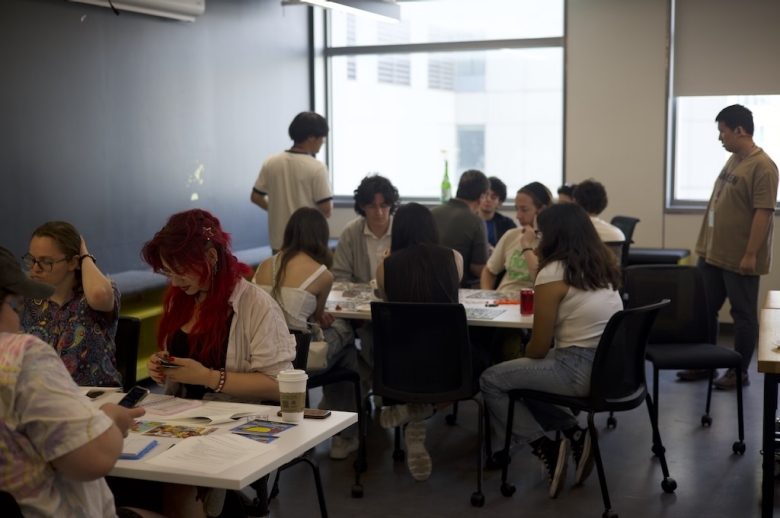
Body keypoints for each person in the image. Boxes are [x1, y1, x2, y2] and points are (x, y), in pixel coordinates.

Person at [143, 209, 296, 518]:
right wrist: (160, 365)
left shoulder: (255, 305)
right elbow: (177, 362)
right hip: (183, 415)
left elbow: (281, 386)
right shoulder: (181, 298)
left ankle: (218, 498)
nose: (174, 280)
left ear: (211, 256)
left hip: (234, 419)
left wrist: (210, 377)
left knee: (177, 481)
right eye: (169, 272)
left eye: (181, 271)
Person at [0, 247, 162, 518]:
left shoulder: (92, 301)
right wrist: (111, 419)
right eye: (15, 306)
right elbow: (92, 460)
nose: (18, 320)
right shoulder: (21, 356)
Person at [480, 202, 623, 498]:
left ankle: (545, 446)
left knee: (493, 380)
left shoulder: (554, 271)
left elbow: (539, 346)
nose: (539, 238)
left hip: (576, 369)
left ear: (554, 235)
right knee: (520, 382)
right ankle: (575, 434)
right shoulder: (603, 264)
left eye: (542, 232)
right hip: (611, 369)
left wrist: (519, 362)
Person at [679, 104, 778, 390]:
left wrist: (750, 254)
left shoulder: (764, 166)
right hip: (713, 254)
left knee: (743, 315)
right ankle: (706, 363)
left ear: (739, 130)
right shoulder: (734, 159)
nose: (720, 137)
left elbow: (764, 212)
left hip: (739, 258)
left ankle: (739, 372)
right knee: (704, 308)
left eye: (723, 131)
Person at [253, 208, 359, 460]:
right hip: (295, 362)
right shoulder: (323, 275)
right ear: (321, 236)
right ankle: (344, 436)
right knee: (346, 339)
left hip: (257, 357)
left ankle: (328, 421)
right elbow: (318, 318)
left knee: (346, 354)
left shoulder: (264, 265)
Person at [374, 202, 465, 482]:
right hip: (446, 366)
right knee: (484, 361)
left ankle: (411, 410)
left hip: (401, 366)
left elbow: (393, 306)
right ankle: (425, 409)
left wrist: (388, 261)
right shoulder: (454, 258)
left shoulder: (385, 267)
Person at [20, 221, 122, 387]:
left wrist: (84, 255)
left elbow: (98, 294)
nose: (35, 269)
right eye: (32, 260)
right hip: (41, 398)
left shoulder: (91, 295)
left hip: (94, 398)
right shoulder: (27, 297)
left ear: (73, 262)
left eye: (46, 262)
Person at [251, 111, 333, 252]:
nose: (323, 141)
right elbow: (326, 209)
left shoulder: (271, 162)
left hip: (278, 244)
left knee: (280, 274)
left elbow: (256, 197)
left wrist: (276, 209)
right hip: (308, 244)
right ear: (311, 137)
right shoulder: (317, 167)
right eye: (322, 137)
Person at [481, 182, 552, 294]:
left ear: (542, 210)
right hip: (503, 299)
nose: (518, 216)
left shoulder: (553, 241)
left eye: (524, 210)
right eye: (516, 209)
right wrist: (485, 295)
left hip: (529, 301)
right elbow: (489, 270)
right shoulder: (511, 235)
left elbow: (541, 282)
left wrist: (526, 243)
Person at [332, 174, 400, 284]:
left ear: (391, 205)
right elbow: (340, 275)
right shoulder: (351, 232)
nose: (379, 213)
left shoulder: (402, 229)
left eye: (383, 206)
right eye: (372, 206)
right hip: (359, 297)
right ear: (362, 206)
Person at [431, 169, 490, 288]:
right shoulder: (476, 221)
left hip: (422, 286)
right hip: (456, 290)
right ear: (481, 198)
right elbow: (477, 269)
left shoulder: (430, 213)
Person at [479, 176, 517, 249]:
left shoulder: (507, 224)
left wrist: (495, 253)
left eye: (493, 197)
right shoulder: (468, 221)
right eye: (485, 195)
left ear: (500, 203)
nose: (488, 199)